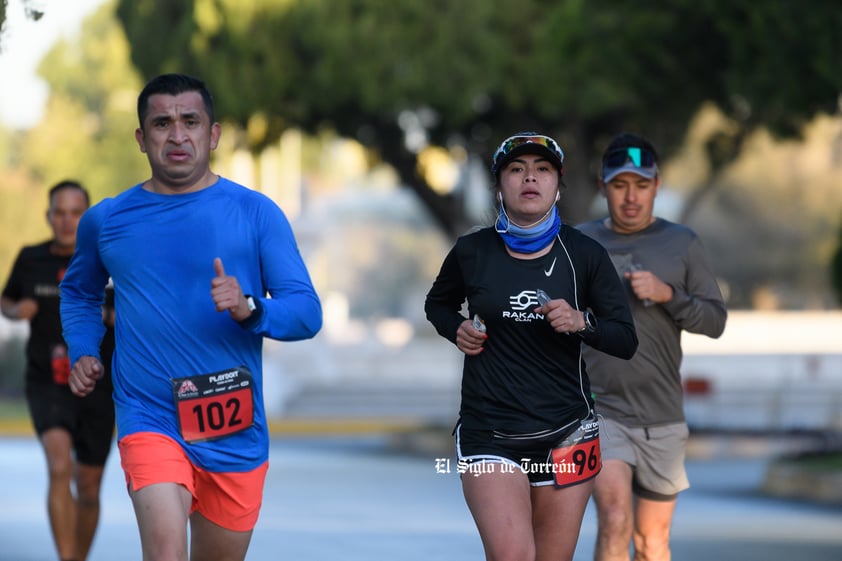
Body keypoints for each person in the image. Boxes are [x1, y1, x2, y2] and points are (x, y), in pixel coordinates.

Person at [59, 73, 322, 561]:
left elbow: (306, 313)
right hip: (149, 414)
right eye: (162, 123)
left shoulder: (257, 213)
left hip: (232, 428)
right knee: (164, 552)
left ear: (212, 134)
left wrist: (250, 308)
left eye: (190, 122)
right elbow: (78, 291)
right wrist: (83, 350)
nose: (176, 135)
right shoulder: (108, 219)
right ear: (142, 138)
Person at [425, 132, 638, 561]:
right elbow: (438, 304)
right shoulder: (473, 250)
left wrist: (581, 322)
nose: (529, 178)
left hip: (567, 432)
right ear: (500, 183)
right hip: (491, 433)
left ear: (558, 184)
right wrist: (457, 329)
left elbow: (625, 338)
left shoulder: (585, 255)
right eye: (516, 169)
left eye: (542, 170)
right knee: (513, 555)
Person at [578, 133, 727, 561]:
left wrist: (669, 296)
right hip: (599, 412)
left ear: (656, 186)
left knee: (651, 542)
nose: (631, 197)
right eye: (621, 185)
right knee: (614, 519)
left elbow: (715, 322)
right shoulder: (577, 244)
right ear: (603, 186)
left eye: (641, 185)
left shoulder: (682, 244)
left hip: (663, 418)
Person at [1, 180, 116, 561]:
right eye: (60, 212)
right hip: (48, 380)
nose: (67, 221)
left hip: (100, 384)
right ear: (49, 216)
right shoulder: (31, 258)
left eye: (76, 212)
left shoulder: (110, 259)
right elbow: (7, 298)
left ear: (89, 216)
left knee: (88, 485)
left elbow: (138, 309)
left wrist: (111, 315)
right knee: (59, 464)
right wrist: (16, 310)